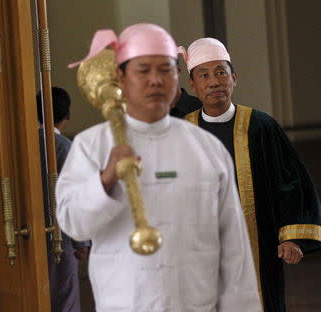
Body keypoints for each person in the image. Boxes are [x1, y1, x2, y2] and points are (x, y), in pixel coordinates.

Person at [56, 23, 261, 312]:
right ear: (121, 78)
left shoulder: (206, 148)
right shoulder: (93, 146)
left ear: (178, 77)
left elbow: (234, 248)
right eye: (143, 70)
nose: (155, 80)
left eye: (165, 70)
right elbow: (73, 223)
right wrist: (106, 180)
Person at [180, 38, 321, 312]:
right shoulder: (182, 132)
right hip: (198, 249)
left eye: (220, 72)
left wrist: (291, 236)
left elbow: (290, 182)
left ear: (234, 78)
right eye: (204, 75)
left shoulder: (261, 126)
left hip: (256, 245)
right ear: (193, 84)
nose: (214, 82)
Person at [37, 87, 90, 312]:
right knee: (65, 301)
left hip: (28, 235)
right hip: (61, 236)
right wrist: (82, 242)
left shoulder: (22, 145)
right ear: (68, 114)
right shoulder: (64, 147)